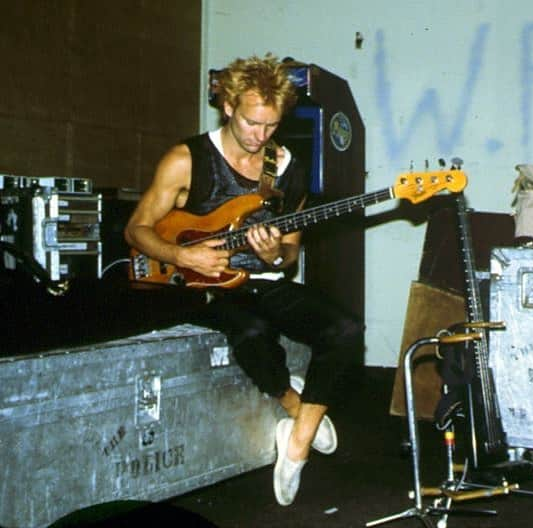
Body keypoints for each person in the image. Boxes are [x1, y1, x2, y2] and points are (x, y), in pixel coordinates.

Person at [125, 53, 363, 506]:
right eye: (252, 123)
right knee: (252, 331)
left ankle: (296, 445)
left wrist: (279, 252)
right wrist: (180, 252)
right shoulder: (186, 159)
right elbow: (135, 229)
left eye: (271, 126)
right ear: (229, 107)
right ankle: (296, 406)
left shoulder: (286, 166)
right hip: (195, 284)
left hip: (262, 280)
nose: (261, 136)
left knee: (347, 329)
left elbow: (290, 248)